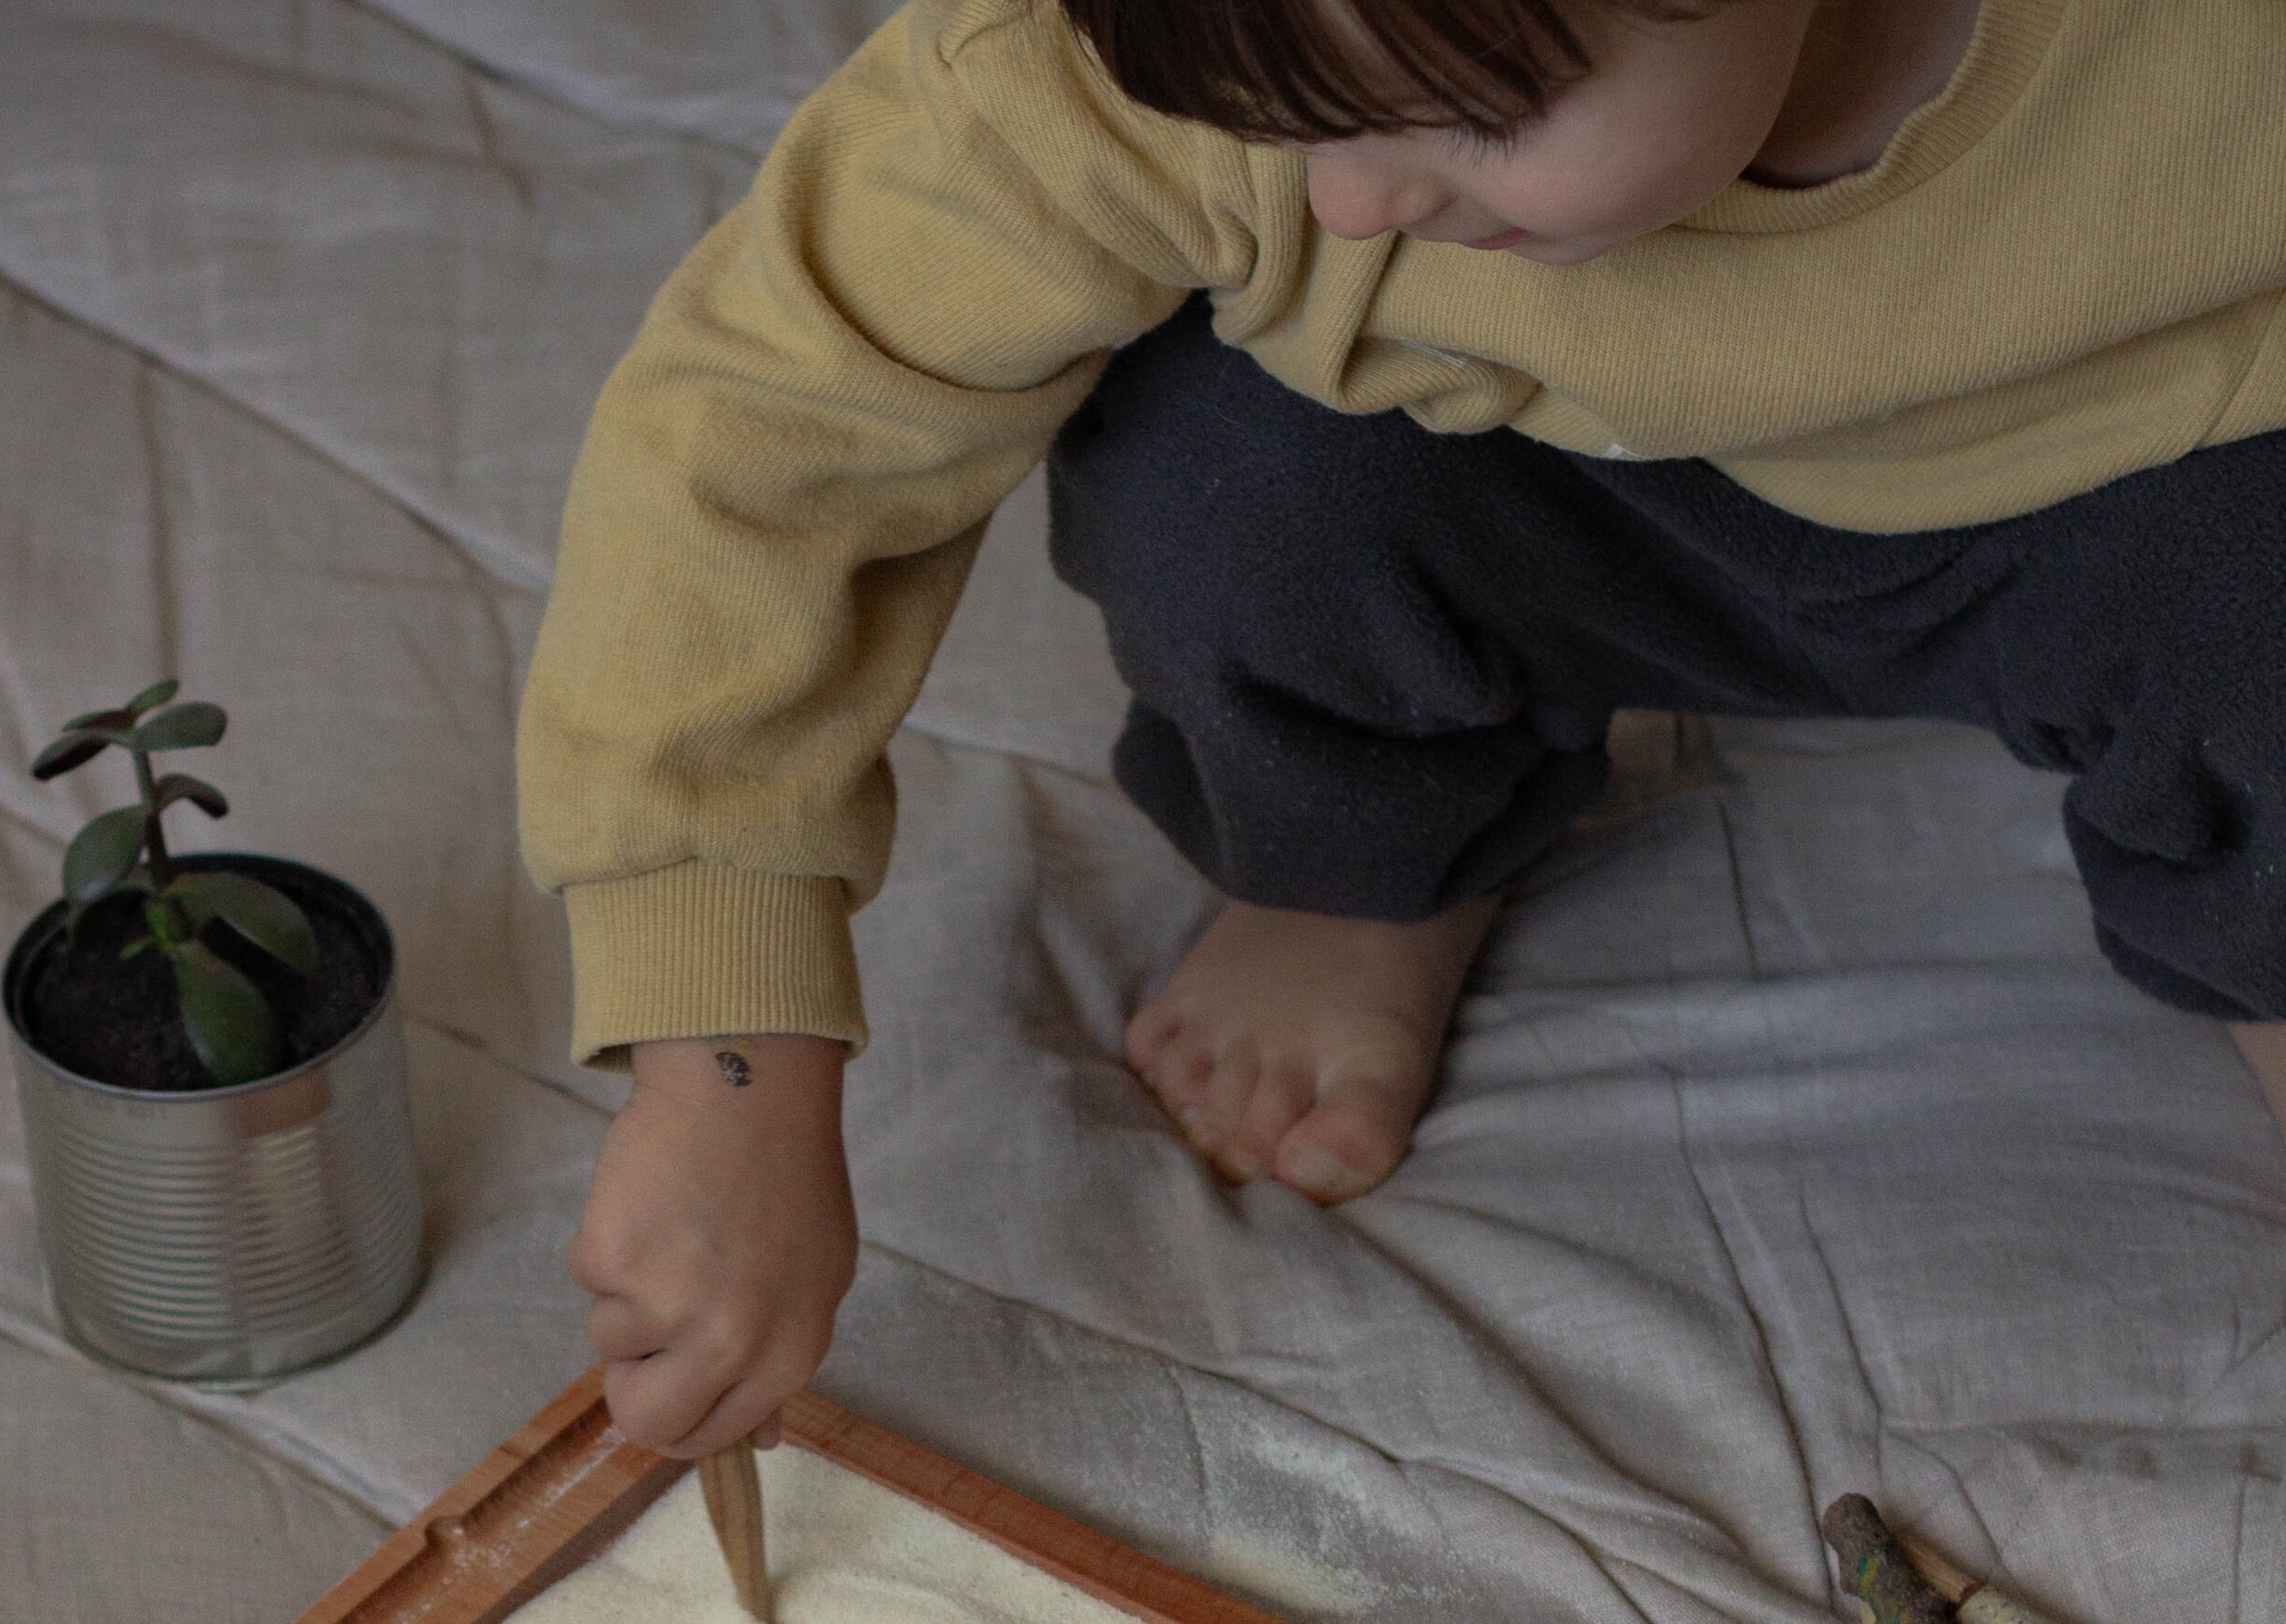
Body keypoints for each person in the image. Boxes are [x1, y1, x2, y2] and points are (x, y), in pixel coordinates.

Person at [521, 0, 2286, 1455]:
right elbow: (756, 447)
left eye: (1457, 117)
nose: (1355, 204)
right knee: (1223, 457)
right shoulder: (1128, 64)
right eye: (1291, 134)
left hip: (2135, 482)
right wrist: (724, 1055)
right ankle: (1363, 853)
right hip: (1530, 490)